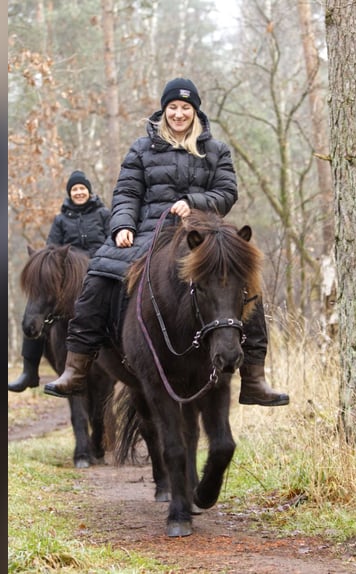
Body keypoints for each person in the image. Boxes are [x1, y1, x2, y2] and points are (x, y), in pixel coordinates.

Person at [44, 78, 288, 407]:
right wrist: (122, 225)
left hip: (203, 234)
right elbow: (127, 193)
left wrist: (195, 201)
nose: (178, 113)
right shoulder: (141, 149)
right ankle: (77, 367)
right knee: (98, 278)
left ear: (195, 112)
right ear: (164, 111)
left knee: (245, 281)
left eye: (185, 108)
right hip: (148, 232)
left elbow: (227, 193)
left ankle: (254, 378)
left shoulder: (216, 150)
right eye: (172, 107)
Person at [8, 170, 111, 392]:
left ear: (89, 191)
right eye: (75, 189)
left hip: (99, 270)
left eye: (82, 188)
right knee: (37, 305)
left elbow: (112, 240)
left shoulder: (103, 214)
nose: (79, 192)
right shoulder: (61, 219)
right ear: (70, 194)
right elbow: (51, 249)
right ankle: (29, 370)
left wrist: (97, 259)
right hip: (68, 279)